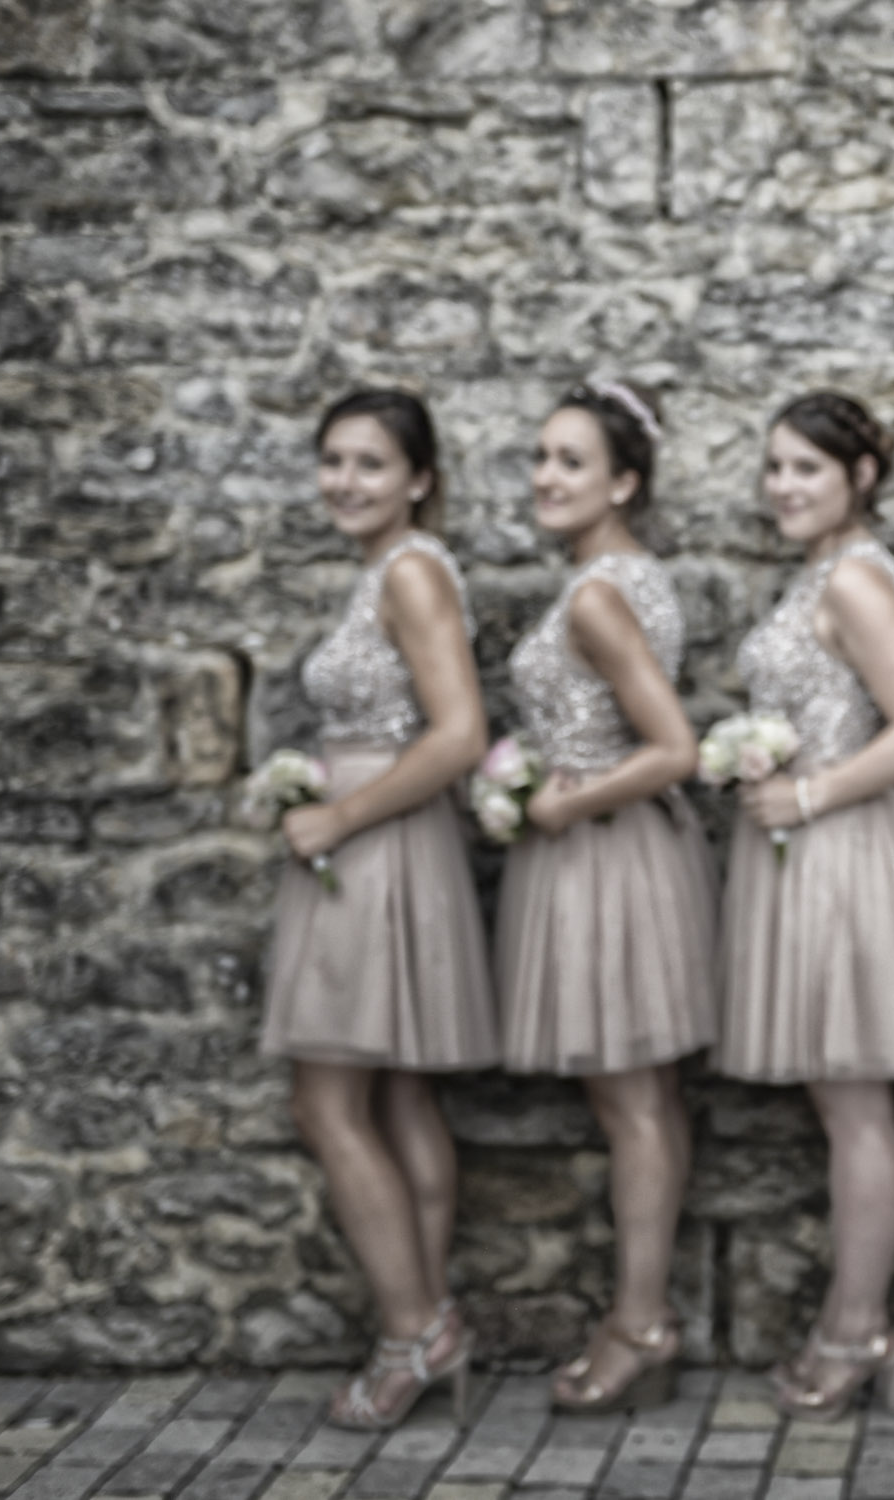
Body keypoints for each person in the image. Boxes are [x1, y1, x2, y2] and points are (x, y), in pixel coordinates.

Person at [264, 388, 498, 1430]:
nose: (344, 482)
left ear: (420, 480)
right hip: (383, 842)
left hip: (375, 845)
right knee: (398, 1098)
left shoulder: (409, 570)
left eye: (369, 464)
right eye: (333, 461)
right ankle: (422, 1319)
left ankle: (415, 1329)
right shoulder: (392, 570)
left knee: (329, 1101)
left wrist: (337, 815)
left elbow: (457, 734)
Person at [715, 392, 894, 1419]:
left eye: (804, 468)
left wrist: (803, 791)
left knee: (855, 1104)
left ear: (859, 477)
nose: (781, 486)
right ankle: (854, 1322)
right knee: (835, 1100)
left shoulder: (855, 581)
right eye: (773, 467)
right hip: (808, 857)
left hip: (847, 853)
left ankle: (858, 1330)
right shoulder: (824, 573)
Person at [492, 381, 716, 1413]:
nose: (545, 476)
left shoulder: (596, 591)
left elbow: (671, 748)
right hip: (623, 852)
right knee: (645, 1103)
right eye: (539, 456)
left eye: (570, 461)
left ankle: (639, 1322)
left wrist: (555, 802)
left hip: (606, 853)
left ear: (623, 481)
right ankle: (644, 1315)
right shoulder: (622, 577)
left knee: (631, 1103)